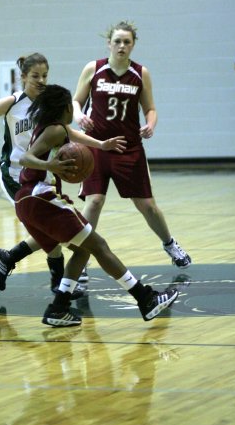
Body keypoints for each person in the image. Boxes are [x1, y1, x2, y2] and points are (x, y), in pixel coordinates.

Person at [0, 52, 126, 295]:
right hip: (16, 175)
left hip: (43, 174)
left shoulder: (48, 104)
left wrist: (101, 144)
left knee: (49, 229)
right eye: (35, 76)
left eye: (45, 75)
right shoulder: (12, 103)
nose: (41, 80)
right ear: (23, 77)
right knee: (51, 230)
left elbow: (68, 133)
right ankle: (58, 287)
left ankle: (10, 258)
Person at [14, 84, 179, 327]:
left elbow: (73, 135)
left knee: (83, 250)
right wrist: (51, 167)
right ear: (66, 107)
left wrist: (101, 145)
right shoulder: (55, 130)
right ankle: (145, 299)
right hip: (41, 197)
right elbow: (25, 158)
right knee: (100, 246)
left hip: (26, 200)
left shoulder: (51, 128)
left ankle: (58, 307)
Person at [72, 20, 191, 268]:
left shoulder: (140, 73)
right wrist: (79, 116)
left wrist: (151, 124)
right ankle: (80, 261)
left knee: (147, 205)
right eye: (117, 41)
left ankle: (170, 244)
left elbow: (151, 108)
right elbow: (75, 101)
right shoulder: (93, 69)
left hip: (129, 148)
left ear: (133, 45)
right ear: (109, 43)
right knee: (94, 202)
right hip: (97, 145)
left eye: (127, 42)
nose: (122, 46)